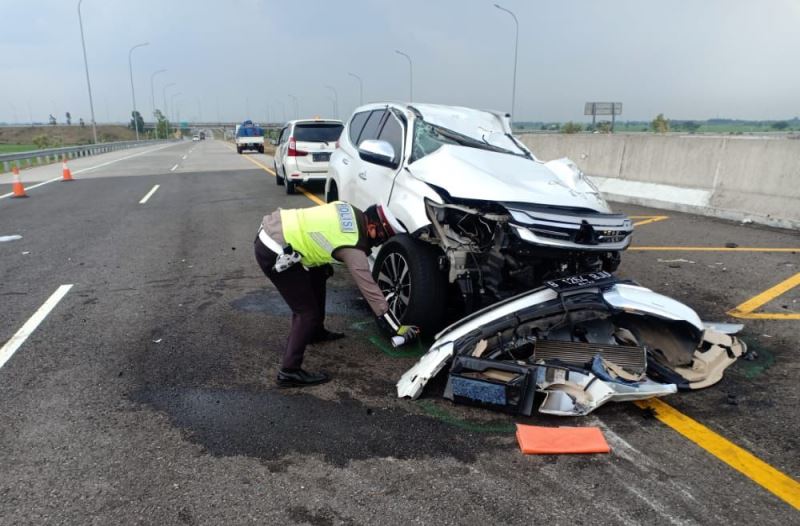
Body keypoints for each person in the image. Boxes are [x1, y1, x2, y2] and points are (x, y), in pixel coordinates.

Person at [254, 201, 419, 387]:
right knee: (306, 313)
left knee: (319, 275)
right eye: (381, 237)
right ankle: (289, 371)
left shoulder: (348, 208)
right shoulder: (353, 245)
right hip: (274, 251)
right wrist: (396, 328)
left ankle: (315, 333)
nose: (379, 242)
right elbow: (370, 289)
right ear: (372, 226)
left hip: (276, 229)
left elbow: (320, 230)